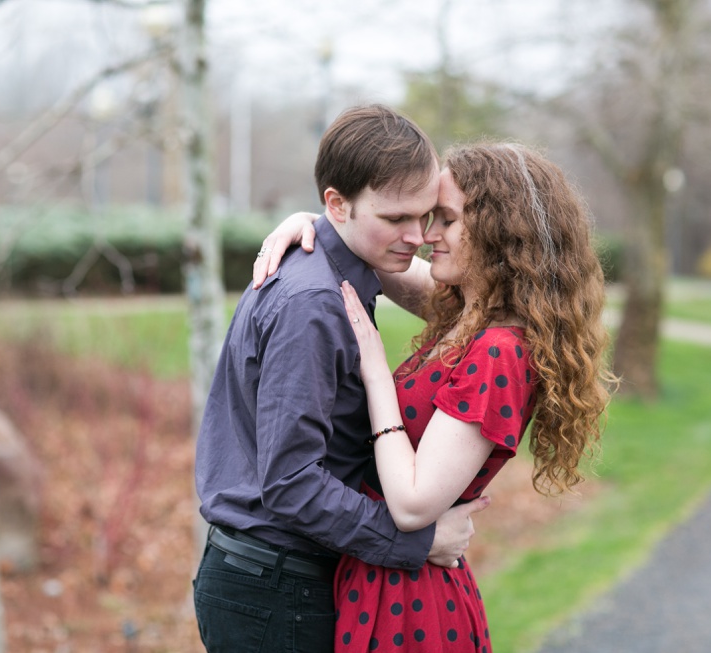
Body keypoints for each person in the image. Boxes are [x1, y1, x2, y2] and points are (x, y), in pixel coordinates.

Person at [254, 142, 616, 652]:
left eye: (445, 219)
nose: (425, 236)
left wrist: (377, 376)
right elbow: (376, 253)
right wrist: (315, 222)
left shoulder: (499, 351)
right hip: (387, 576)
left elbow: (412, 504)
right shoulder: (472, 317)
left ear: (498, 234)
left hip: (409, 601)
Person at [193, 105, 492, 653]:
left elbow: (474, 307)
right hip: (276, 591)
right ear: (337, 203)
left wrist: (322, 220)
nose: (419, 236)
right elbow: (290, 483)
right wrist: (417, 542)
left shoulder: (341, 272)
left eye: (426, 216)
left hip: (282, 581)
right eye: (397, 219)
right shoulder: (313, 303)